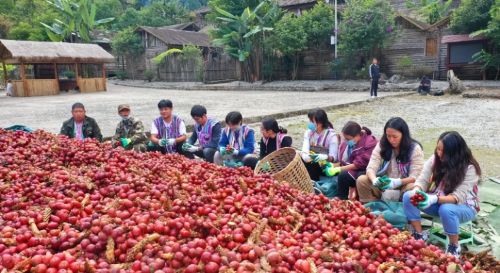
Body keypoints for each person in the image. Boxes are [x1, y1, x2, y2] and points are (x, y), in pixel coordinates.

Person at [402, 131, 481, 258]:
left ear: (454, 153)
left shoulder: (470, 169)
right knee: (409, 196)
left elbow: (457, 197)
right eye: (438, 149)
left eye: (443, 151)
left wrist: (433, 198)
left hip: (464, 207)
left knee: (447, 209)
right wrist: (417, 190)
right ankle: (418, 234)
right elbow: (422, 179)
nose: (439, 153)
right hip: (438, 201)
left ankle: (454, 246)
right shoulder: (435, 159)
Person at [357, 117, 425, 203]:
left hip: (404, 186)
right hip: (384, 185)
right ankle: (371, 208)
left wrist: (397, 182)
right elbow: (371, 167)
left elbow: (416, 176)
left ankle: (404, 208)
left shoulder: (415, 149)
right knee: (362, 180)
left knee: (413, 187)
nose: (391, 140)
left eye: (395, 136)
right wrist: (375, 180)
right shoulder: (382, 144)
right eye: (388, 136)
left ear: (403, 135)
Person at [334, 121, 377, 200]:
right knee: (341, 174)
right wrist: (334, 166)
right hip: (353, 168)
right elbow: (342, 160)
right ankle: (341, 198)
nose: (346, 141)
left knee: (343, 175)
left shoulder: (369, 142)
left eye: (348, 139)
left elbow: (360, 164)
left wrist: (339, 169)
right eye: (345, 138)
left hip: (365, 170)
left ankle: (344, 198)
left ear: (357, 136)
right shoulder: (347, 143)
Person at [301, 109, 339, 181]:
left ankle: (314, 184)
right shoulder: (309, 133)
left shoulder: (331, 136)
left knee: (313, 164)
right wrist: (305, 155)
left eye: (312, 121)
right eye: (310, 121)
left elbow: (334, 158)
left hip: (325, 167)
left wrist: (325, 157)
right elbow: (305, 148)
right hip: (311, 162)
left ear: (320, 123)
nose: (310, 124)